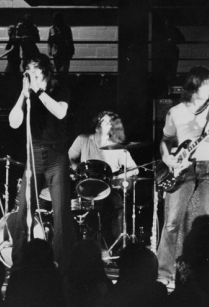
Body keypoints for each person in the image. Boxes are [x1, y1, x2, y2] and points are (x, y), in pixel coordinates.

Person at [157, 65, 209, 283]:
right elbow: (166, 139)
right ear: (194, 83)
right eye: (207, 83)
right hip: (182, 168)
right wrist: (167, 158)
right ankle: (163, 273)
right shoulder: (175, 112)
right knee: (172, 221)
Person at [8, 54, 75, 273]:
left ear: (45, 72)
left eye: (35, 73)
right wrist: (22, 94)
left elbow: (61, 111)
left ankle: (62, 265)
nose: (31, 78)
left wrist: (38, 91)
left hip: (56, 155)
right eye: (28, 74)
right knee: (23, 209)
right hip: (34, 154)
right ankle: (19, 262)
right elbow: (14, 123)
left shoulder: (59, 89)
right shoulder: (28, 95)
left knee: (61, 212)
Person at [68, 111, 138, 245]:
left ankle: (117, 247)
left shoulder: (117, 147)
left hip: (109, 187)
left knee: (119, 208)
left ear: (113, 127)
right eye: (102, 120)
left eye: (108, 122)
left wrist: (117, 177)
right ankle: (82, 246)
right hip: (86, 185)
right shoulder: (83, 139)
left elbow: (134, 169)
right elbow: (69, 157)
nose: (104, 123)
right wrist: (77, 168)